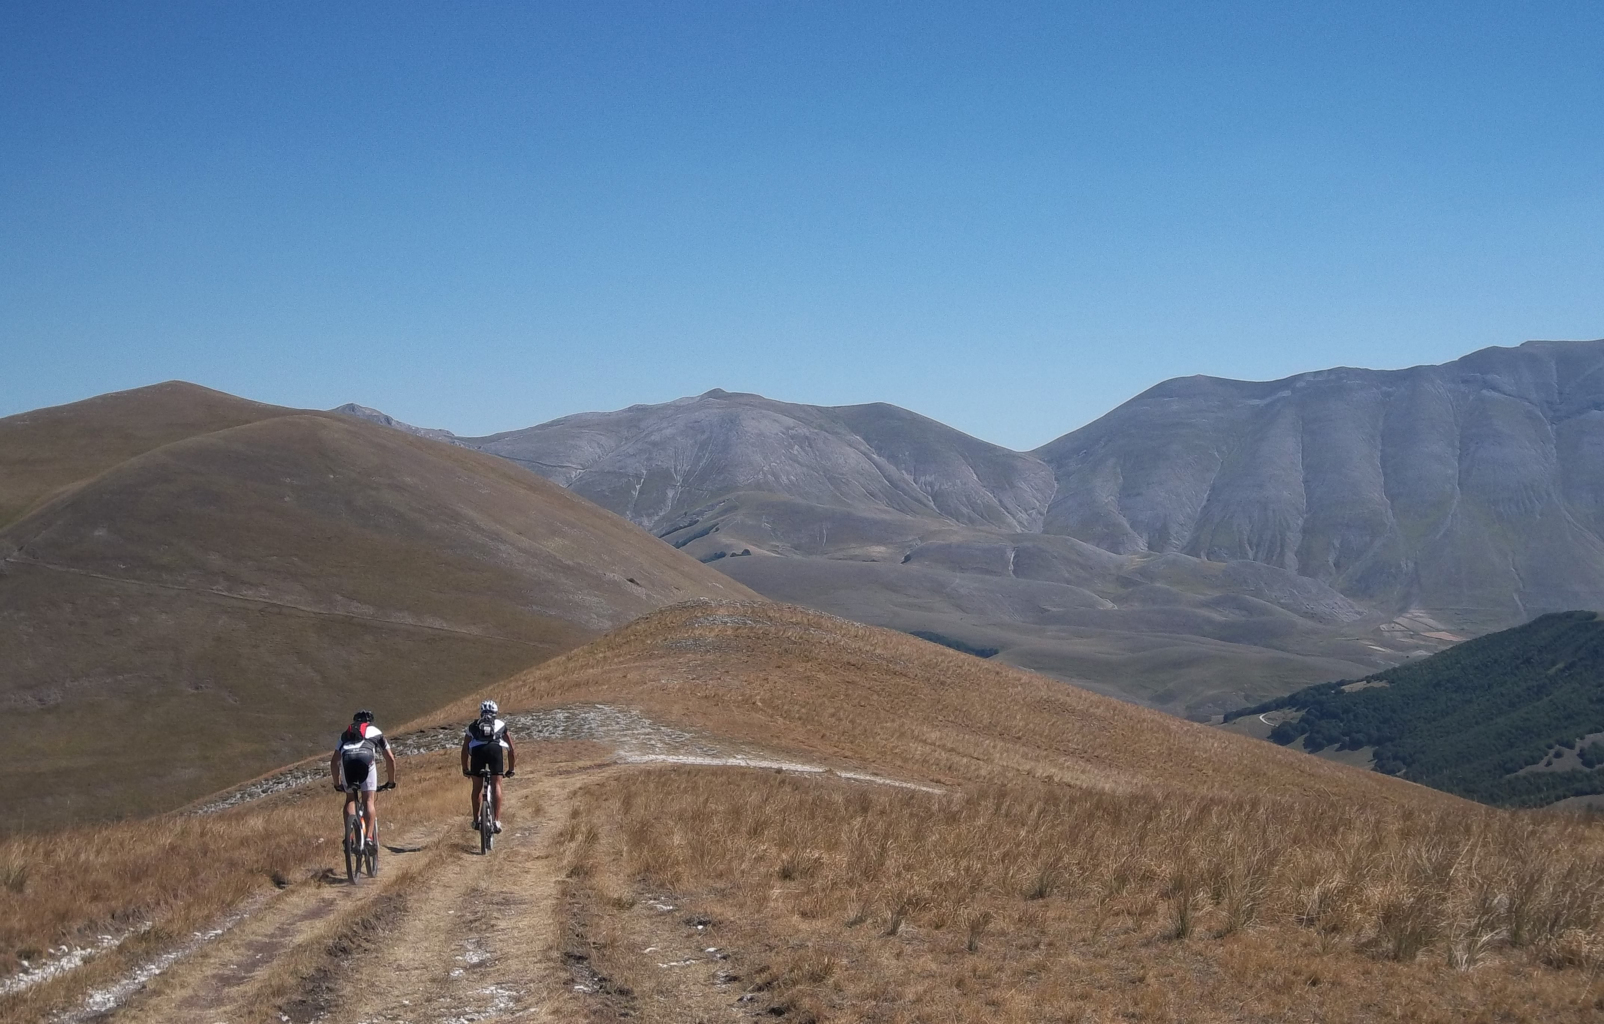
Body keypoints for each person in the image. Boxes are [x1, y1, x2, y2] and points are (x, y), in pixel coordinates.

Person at [331, 710, 396, 849]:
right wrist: (391, 781)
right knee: (368, 800)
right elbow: (390, 758)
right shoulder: (375, 731)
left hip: (347, 761)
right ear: (369, 721)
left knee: (350, 800)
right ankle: (369, 838)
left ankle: (349, 837)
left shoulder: (345, 734)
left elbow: (334, 761)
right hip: (365, 760)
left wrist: (337, 784)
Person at [461, 699, 516, 833]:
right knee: (496, 785)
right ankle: (496, 821)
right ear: (496, 712)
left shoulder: (473, 726)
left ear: (481, 712)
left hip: (477, 753)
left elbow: (464, 750)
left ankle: (476, 820)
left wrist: (465, 769)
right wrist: (511, 769)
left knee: (477, 788)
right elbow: (511, 749)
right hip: (495, 751)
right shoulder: (501, 725)